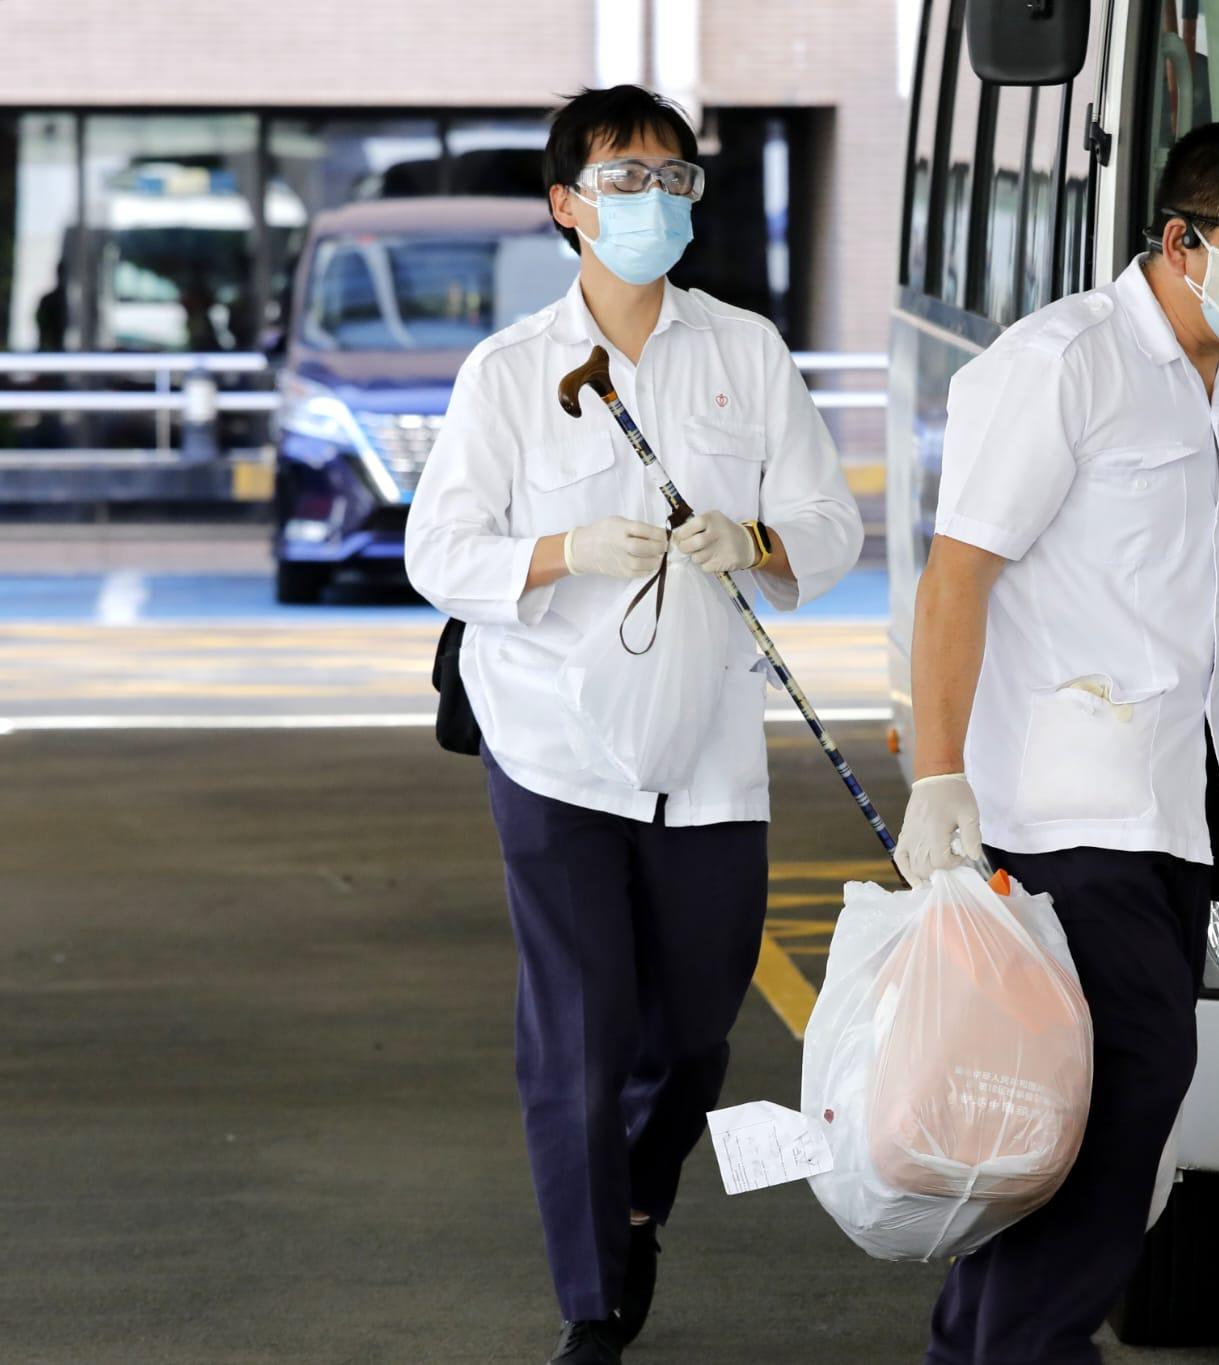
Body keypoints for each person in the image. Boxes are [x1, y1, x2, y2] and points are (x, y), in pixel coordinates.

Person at [403, 84, 861, 1365]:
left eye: (672, 177)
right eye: (622, 179)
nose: (651, 201)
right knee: (581, 1032)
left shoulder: (747, 354)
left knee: (694, 1032)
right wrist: (558, 549)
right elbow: (438, 552)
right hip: (550, 742)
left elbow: (831, 528)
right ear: (565, 206)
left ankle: (639, 1199)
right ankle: (594, 1303)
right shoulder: (508, 372)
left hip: (709, 747)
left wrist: (757, 536)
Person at [893, 119, 1219, 1364]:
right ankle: (1029, 1347)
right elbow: (955, 578)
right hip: (1064, 806)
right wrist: (939, 777)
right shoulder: (1062, 364)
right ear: (1182, 238)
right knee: (1128, 1091)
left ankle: (980, 1347)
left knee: (1074, 1114)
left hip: (1185, 808)